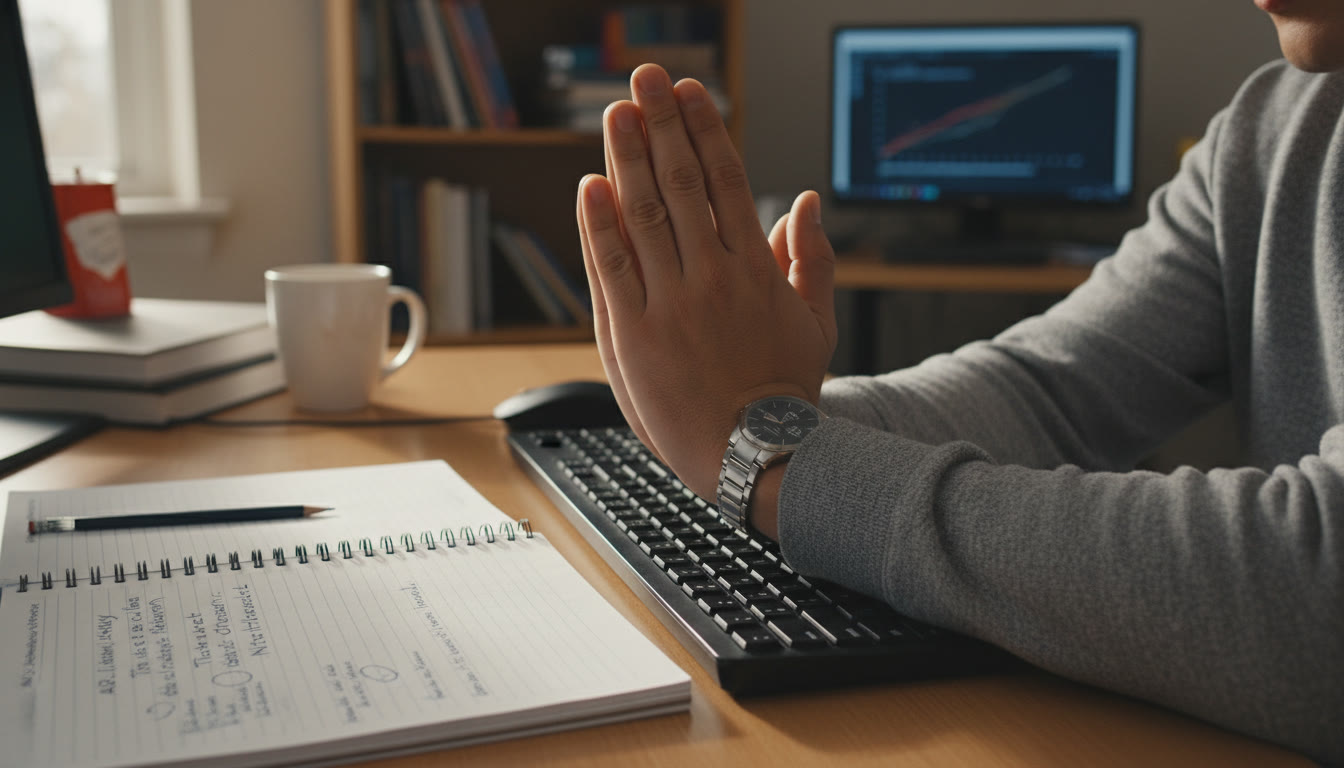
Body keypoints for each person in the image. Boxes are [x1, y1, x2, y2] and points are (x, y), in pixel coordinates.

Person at [574, 1, 1343, 762]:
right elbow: (1047, 390)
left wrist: (781, 468)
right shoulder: (1272, 126)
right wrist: (747, 409)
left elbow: (1318, 588)